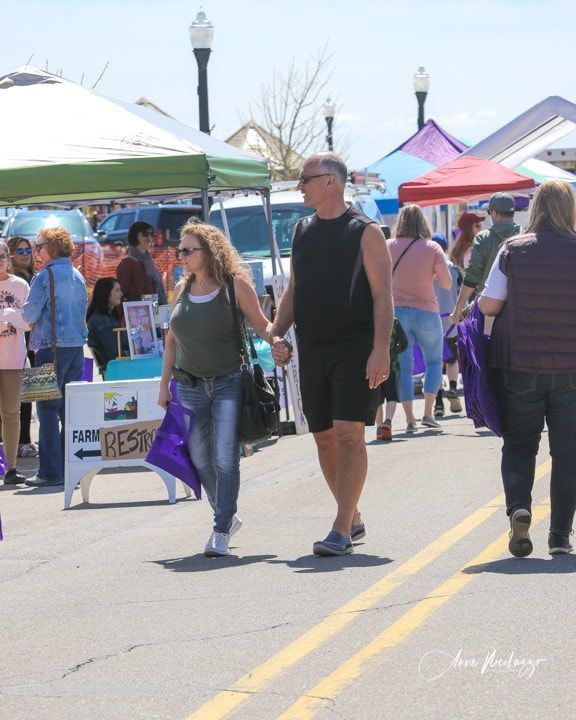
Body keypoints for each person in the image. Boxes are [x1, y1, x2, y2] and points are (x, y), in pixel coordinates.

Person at [270, 152, 394, 556]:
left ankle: (340, 529)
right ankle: (352, 515)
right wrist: (275, 332)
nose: (300, 186)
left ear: (331, 182)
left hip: (356, 348)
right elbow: (294, 290)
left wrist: (380, 350)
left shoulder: (366, 232)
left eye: (305, 179)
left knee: (349, 433)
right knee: (324, 438)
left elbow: (383, 297)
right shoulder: (302, 230)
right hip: (314, 349)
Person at [158, 222, 289, 558]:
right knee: (201, 459)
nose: (183, 256)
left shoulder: (235, 286)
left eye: (189, 250)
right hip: (189, 385)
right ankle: (227, 516)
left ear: (209, 251)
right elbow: (172, 339)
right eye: (181, 250)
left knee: (225, 458)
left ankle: (220, 529)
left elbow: (261, 324)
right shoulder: (182, 288)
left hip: (229, 382)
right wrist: (164, 386)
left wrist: (276, 340)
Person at [479, 180, 576, 557]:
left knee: (520, 444)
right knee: (568, 453)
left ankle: (520, 507)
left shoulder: (512, 250)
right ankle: (560, 536)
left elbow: (489, 305)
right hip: (571, 368)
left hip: (519, 365)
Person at [22, 227, 87, 487]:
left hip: (50, 348)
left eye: (39, 246)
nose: (36, 250)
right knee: (68, 411)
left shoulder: (44, 275)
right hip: (75, 348)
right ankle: (68, 467)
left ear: (50, 247)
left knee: (46, 410)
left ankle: (49, 472)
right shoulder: (77, 274)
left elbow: (28, 316)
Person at [388, 205, 452, 432]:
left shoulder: (388, 247)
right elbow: (446, 283)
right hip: (426, 311)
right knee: (434, 362)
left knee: (404, 367)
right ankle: (427, 412)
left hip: (396, 315)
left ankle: (409, 420)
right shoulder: (432, 247)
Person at [450, 193, 521, 324]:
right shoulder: (525, 235)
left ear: (494, 213)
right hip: (520, 309)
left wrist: (458, 308)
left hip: (489, 309)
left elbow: (472, 276)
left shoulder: (483, 238)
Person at [0, 240, 30, 485]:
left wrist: (12, 318)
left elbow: (30, 321)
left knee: (11, 413)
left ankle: (11, 468)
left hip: (12, 358)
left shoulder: (20, 285)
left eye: (2, 255)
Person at [6, 236, 37, 458]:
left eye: (28, 251)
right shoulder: (13, 281)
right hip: (13, 347)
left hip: (30, 346)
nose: (25, 255)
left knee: (27, 395)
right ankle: (18, 442)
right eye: (20, 251)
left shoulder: (30, 279)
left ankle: (24, 440)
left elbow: (30, 317)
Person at [430, 232, 463, 418]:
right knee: (452, 360)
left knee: (433, 363)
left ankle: (438, 402)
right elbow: (462, 294)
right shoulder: (454, 270)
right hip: (451, 322)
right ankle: (452, 386)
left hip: (430, 322)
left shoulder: (425, 269)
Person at [116, 221, 167, 304]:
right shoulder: (127, 264)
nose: (150, 239)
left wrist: (158, 312)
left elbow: (154, 293)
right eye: (145, 234)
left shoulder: (150, 262)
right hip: (136, 313)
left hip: (154, 309)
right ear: (135, 235)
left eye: (152, 235)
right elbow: (120, 295)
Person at [86, 277, 126, 375]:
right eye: (117, 290)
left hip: (114, 367)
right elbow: (115, 353)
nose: (121, 294)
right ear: (106, 293)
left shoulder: (107, 317)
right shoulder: (102, 322)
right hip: (116, 370)